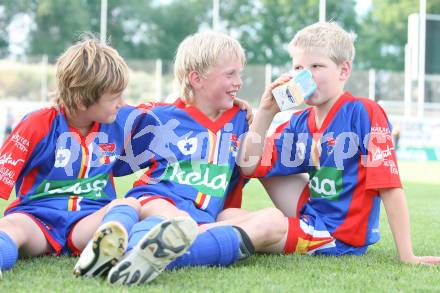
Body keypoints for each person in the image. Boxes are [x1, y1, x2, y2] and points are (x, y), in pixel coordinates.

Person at [73, 31, 289, 286]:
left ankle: (153, 253)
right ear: (196, 79)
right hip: (155, 201)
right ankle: (137, 252)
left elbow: (248, 166)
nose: (239, 81)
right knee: (168, 220)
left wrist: (264, 113)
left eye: (239, 74)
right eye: (230, 74)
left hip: (205, 217)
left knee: (274, 223)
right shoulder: (161, 116)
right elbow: (104, 119)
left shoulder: (239, 118)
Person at [239, 21, 440, 264]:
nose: (305, 75)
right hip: (312, 216)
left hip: (337, 237)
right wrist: (266, 112)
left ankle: (201, 243)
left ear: (343, 71)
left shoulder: (363, 112)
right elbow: (248, 166)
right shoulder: (299, 121)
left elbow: (389, 186)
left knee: (262, 227)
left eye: (316, 66)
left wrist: (407, 255)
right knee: (231, 212)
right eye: (298, 67)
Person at [0, 36, 143, 279]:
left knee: (128, 204)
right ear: (81, 100)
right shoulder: (37, 124)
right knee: (11, 226)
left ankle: (104, 254)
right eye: (113, 97)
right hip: (37, 220)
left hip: (89, 223)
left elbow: (171, 112)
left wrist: (229, 108)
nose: (123, 103)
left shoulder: (122, 120)